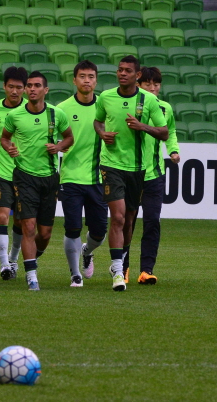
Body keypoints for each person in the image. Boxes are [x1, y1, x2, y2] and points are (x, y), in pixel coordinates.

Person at [93, 55, 168, 292]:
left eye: (127, 71)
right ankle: (118, 270)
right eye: (119, 70)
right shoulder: (105, 97)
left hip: (137, 170)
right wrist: (102, 133)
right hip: (111, 165)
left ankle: (122, 262)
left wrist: (142, 126)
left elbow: (164, 132)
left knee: (129, 222)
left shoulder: (149, 101)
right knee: (118, 217)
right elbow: (98, 121)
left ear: (137, 76)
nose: (122, 73)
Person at [1, 71, 74, 291]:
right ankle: (32, 276)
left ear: (45, 90)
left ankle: (31, 257)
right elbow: (5, 137)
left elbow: (70, 137)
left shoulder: (56, 114)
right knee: (28, 227)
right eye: (29, 86)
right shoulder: (15, 116)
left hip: (50, 178)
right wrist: (9, 147)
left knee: (45, 233)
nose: (32, 89)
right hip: (24, 177)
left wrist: (59, 147)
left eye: (36, 86)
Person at [122, 66, 180, 285]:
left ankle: (146, 270)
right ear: (139, 85)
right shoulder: (131, 106)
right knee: (127, 223)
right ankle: (123, 268)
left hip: (154, 175)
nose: (153, 88)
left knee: (152, 222)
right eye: (148, 84)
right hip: (131, 173)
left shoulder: (165, 108)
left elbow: (170, 131)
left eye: (156, 84)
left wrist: (173, 149)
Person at [56, 60, 108, 287]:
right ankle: (75, 273)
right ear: (74, 80)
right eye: (82, 76)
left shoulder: (105, 107)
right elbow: (51, 138)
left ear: (96, 80)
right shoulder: (62, 109)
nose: (87, 80)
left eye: (91, 76)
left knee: (99, 232)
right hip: (71, 177)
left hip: (98, 178)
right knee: (73, 227)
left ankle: (87, 251)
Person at [0, 66, 28, 281]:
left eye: (18, 87)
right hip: (1, 170)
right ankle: (4, 265)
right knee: (2, 216)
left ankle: (13, 258)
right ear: (4, 86)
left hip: (25, 174)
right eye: (10, 87)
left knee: (21, 222)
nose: (14, 91)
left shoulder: (32, 110)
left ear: (25, 89)